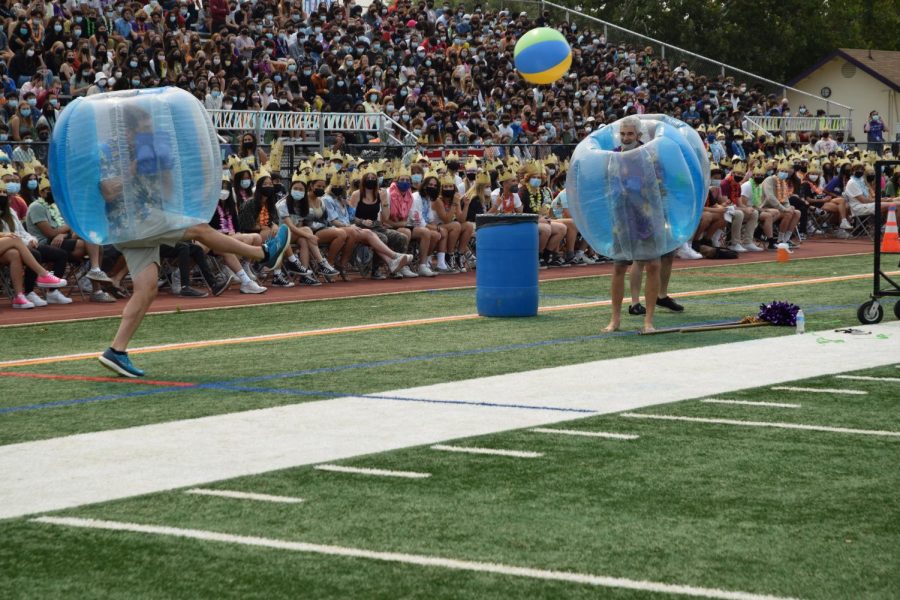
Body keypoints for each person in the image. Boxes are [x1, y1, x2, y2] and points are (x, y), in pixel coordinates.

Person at [96, 105, 290, 377]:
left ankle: (116, 351)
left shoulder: (151, 149)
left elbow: (166, 192)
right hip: (131, 221)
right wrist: (136, 166)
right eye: (144, 128)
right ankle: (262, 254)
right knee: (199, 230)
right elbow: (107, 191)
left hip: (145, 223)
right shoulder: (110, 151)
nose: (149, 133)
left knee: (147, 289)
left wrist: (162, 169)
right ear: (129, 130)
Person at [603, 116, 666, 333]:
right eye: (623, 134)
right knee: (619, 265)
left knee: (654, 264)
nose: (626, 137)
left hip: (646, 216)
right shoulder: (612, 156)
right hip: (622, 217)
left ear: (638, 135)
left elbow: (660, 185)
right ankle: (615, 319)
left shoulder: (649, 155)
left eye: (630, 134)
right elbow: (607, 185)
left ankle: (648, 321)